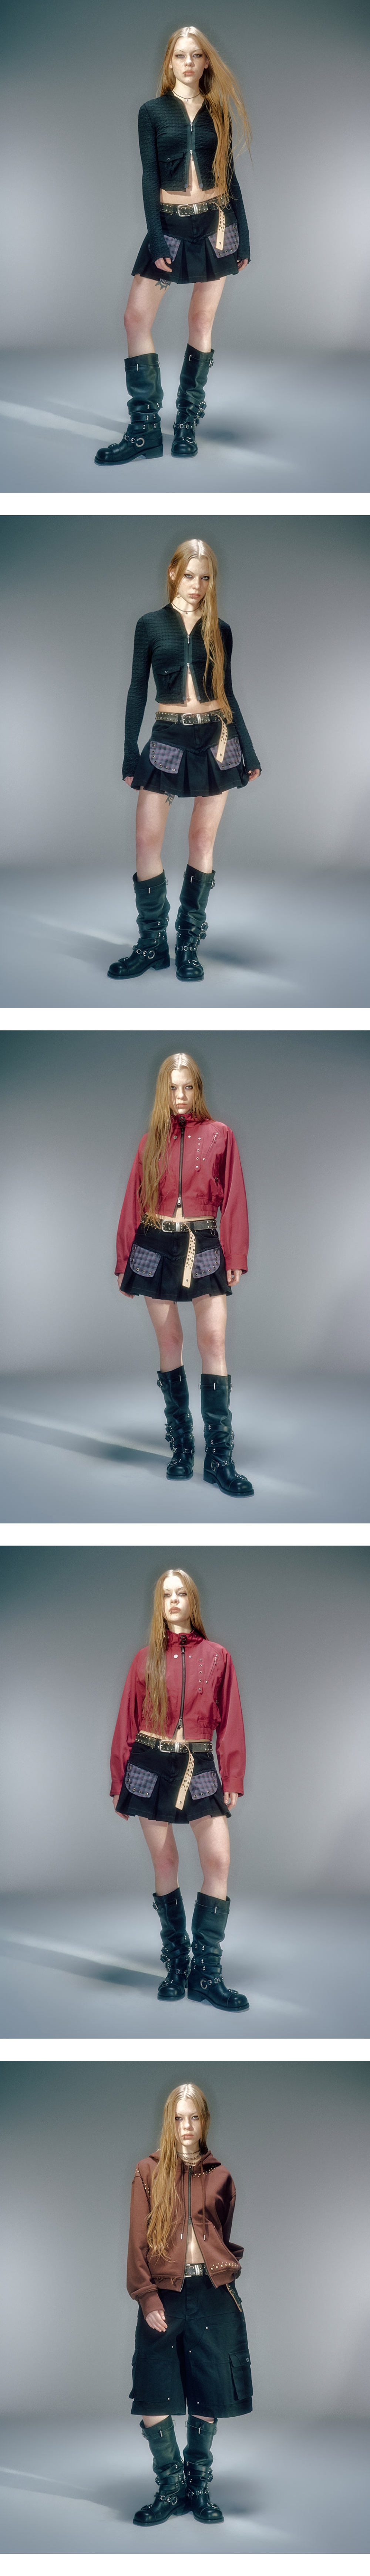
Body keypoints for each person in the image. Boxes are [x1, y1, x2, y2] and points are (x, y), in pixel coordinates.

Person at [95, 25, 252, 467]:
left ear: (206, 63)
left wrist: (245, 236)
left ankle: (186, 424)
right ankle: (145, 430)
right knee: (135, 318)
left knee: (201, 320)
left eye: (196, 55)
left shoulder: (219, 111)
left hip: (217, 226)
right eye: (180, 55)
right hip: (170, 225)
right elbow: (150, 177)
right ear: (169, 62)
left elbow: (229, 174)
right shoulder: (152, 112)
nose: (188, 62)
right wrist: (156, 232)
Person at [108, 536, 260, 982]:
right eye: (190, 575)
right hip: (168, 737)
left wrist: (249, 750)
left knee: (202, 840)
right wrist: (129, 752)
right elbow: (137, 690)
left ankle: (188, 945)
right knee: (146, 841)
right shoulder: (151, 625)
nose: (197, 585)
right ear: (173, 573)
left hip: (217, 739)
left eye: (206, 578)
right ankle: (151, 943)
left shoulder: (220, 629)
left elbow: (227, 693)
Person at [116, 1049, 254, 1499]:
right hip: (154, 1245)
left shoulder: (220, 1135)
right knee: (170, 1342)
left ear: (198, 1089)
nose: (180, 1096)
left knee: (213, 1342)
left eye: (188, 1087)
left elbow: (234, 1196)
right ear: (164, 1091)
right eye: (173, 1088)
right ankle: (180, 1447)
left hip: (204, 1243)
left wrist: (235, 1254)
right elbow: (133, 1200)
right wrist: (123, 1259)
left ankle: (219, 1459)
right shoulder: (149, 1142)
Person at [111, 1564, 248, 2009]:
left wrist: (233, 1775)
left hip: (199, 1763)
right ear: (160, 1604)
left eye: (181, 1593)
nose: (173, 1600)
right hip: (149, 1765)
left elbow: (231, 1721)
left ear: (192, 1600)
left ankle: (206, 1974)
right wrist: (119, 1778)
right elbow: (127, 1720)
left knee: (218, 1861)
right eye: (166, 1594)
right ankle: (177, 1964)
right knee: (166, 1861)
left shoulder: (219, 1656)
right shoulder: (144, 1659)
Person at [127, 2081, 253, 2524]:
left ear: (205, 2120)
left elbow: (219, 2233)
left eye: (194, 2116)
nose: (186, 2126)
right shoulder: (148, 2171)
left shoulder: (221, 2175)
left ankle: (198, 2487)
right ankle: (170, 2487)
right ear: (170, 2121)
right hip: (165, 2294)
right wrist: (147, 2296)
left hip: (213, 2294)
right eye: (179, 2118)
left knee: (208, 2392)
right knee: (153, 2391)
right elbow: (137, 2243)